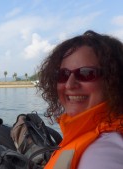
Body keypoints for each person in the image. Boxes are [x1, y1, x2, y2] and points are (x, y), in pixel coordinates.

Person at [37, 30, 123, 169]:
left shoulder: (103, 153)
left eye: (86, 73)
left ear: (114, 80)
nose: (70, 85)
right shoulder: (85, 133)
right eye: (63, 75)